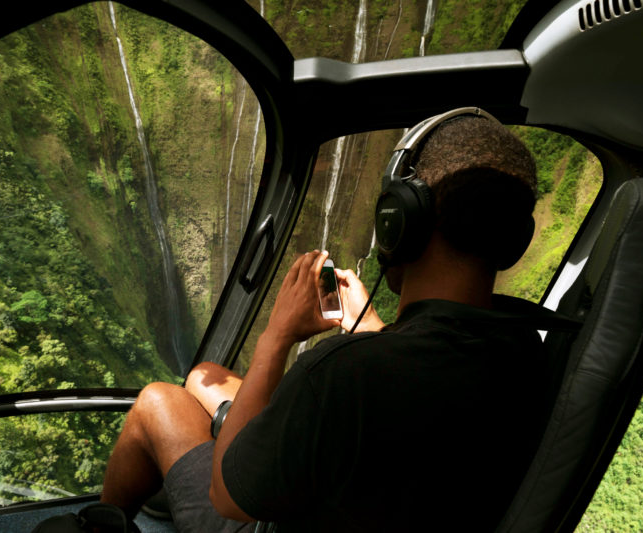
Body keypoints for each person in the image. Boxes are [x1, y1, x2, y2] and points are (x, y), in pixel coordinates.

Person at [97, 111, 543, 532]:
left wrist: (277, 336)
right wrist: (374, 329)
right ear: (516, 242)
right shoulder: (524, 347)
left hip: (263, 514)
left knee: (158, 400)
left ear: (400, 218)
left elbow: (228, 496)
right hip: (394, 498)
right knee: (203, 376)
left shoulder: (341, 373)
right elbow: (420, 390)